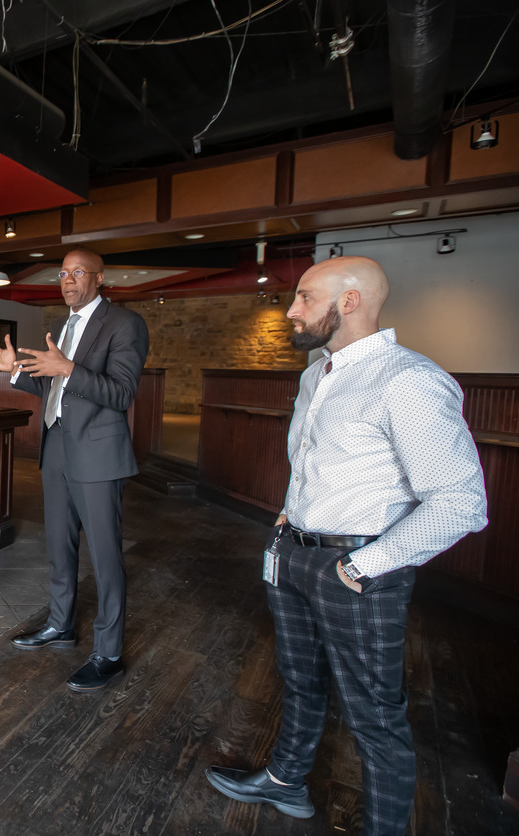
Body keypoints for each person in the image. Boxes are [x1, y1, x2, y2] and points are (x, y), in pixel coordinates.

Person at [204, 256, 487, 835]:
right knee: (299, 680)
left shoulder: (408, 379)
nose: (292, 308)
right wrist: (290, 516)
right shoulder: (316, 373)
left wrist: (363, 565)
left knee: (375, 718)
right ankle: (286, 783)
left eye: (305, 297)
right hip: (295, 554)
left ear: (349, 302)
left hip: (357, 566)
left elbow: (461, 503)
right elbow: (316, 460)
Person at [0, 248, 149, 692]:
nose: (68, 280)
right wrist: (14, 371)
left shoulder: (125, 324)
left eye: (78, 272)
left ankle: (109, 653)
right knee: (59, 546)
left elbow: (121, 393)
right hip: (56, 447)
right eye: (63, 272)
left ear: (100, 278)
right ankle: (61, 625)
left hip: (98, 455)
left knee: (105, 555)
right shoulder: (61, 326)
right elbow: (51, 384)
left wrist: (69, 368)